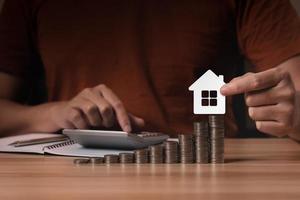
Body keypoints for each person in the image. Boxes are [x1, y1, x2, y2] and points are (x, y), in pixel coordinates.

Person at [0, 0, 300, 140]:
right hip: (70, 175)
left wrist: (296, 115)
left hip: (206, 174)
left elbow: (295, 92)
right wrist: (50, 113)